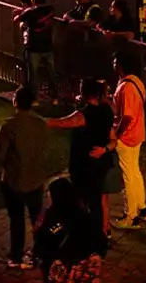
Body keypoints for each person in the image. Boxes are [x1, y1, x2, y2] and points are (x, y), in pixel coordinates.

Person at [0, 84, 54, 268]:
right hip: (35, 178)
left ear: (15, 101)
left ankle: (16, 255)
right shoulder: (41, 124)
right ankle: (39, 253)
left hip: (14, 179)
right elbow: (44, 149)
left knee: (17, 218)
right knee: (37, 217)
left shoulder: (9, 125)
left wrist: (0, 167)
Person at [35, 172, 107, 283]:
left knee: (56, 266)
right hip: (84, 269)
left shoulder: (51, 218)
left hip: (61, 269)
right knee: (92, 262)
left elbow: (41, 248)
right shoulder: (84, 215)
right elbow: (101, 243)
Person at [45, 78, 113, 236]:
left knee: (86, 201)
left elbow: (63, 123)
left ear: (84, 92)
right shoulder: (106, 110)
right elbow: (113, 137)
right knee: (97, 200)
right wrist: (105, 149)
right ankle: (101, 233)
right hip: (100, 163)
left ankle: (91, 236)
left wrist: (42, 122)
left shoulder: (86, 115)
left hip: (85, 165)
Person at [109, 55, 146, 230]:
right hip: (138, 132)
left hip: (127, 136)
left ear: (121, 65)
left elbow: (127, 116)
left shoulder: (126, 87)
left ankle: (131, 216)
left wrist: (116, 135)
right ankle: (142, 208)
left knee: (128, 176)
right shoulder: (137, 82)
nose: (113, 65)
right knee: (135, 171)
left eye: (115, 62)